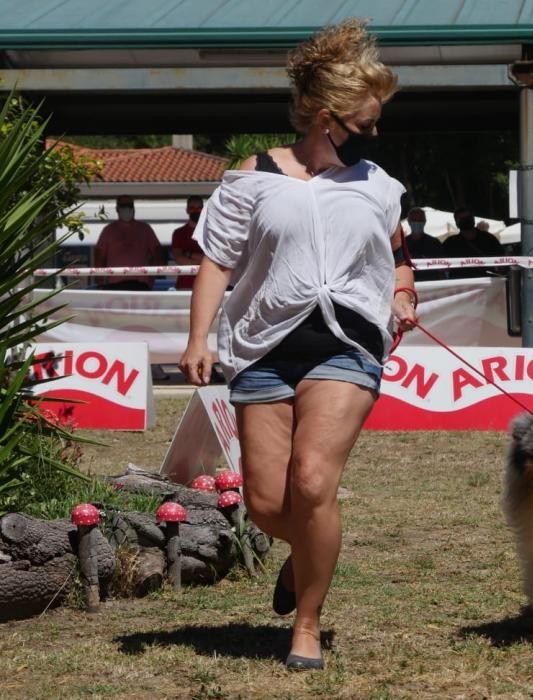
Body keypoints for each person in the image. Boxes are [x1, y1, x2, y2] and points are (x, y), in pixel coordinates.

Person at [178, 18, 416, 671]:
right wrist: (198, 336)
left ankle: (306, 623)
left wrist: (402, 296)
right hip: (261, 346)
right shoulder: (248, 178)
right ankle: (307, 554)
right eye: (364, 124)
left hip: (348, 345)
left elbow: (399, 259)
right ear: (324, 116)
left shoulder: (377, 185)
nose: (373, 136)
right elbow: (214, 263)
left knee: (312, 483)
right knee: (265, 502)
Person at [94, 194, 163, 290]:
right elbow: (99, 258)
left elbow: (157, 253)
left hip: (141, 284)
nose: (127, 208)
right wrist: (100, 282)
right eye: (123, 205)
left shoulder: (145, 229)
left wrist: (152, 277)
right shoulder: (108, 230)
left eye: (130, 205)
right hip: (115, 284)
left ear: (134, 208)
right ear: (117, 209)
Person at [442, 207, 503, 278]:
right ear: (456, 222)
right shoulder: (450, 243)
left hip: (487, 282)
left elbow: (502, 259)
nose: (466, 221)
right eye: (462, 219)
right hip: (461, 284)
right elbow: (443, 266)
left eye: (468, 218)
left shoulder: (489, 239)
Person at [170, 196, 205, 290]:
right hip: (184, 285)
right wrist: (202, 260)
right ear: (187, 210)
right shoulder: (179, 233)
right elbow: (179, 259)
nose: (196, 211)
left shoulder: (211, 231)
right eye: (192, 208)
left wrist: (189, 255)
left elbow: (214, 259)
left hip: (207, 285)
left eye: (199, 208)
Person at [403, 206, 446, 281]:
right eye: (414, 220)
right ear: (409, 222)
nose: (417, 222)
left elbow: (442, 266)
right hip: (410, 283)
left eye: (420, 220)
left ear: (425, 221)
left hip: (432, 282)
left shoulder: (434, 242)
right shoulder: (403, 244)